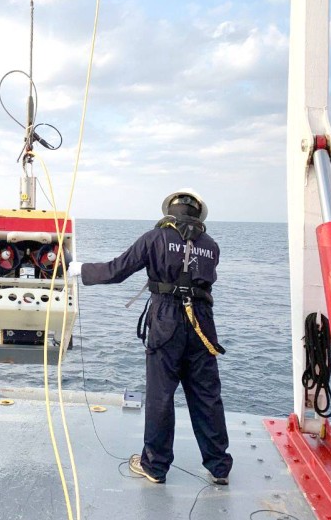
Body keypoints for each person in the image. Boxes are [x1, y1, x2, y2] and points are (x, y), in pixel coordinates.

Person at [67, 188, 232, 485]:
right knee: (207, 395)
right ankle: (220, 467)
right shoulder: (212, 245)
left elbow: (117, 271)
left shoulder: (154, 238)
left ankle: (155, 467)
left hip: (167, 320)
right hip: (202, 324)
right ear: (198, 213)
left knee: (161, 395)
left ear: (170, 209)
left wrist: (78, 269)